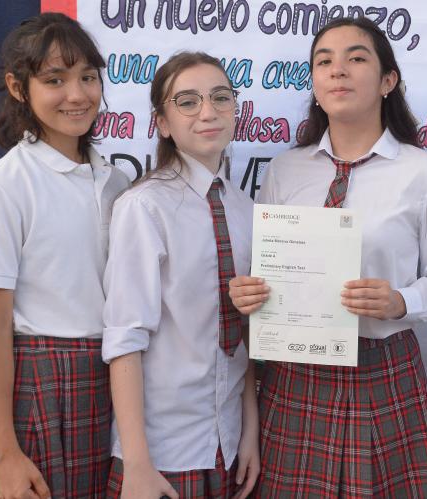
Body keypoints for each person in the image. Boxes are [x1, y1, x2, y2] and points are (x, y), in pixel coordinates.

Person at [228, 16, 427, 498]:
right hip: (294, 375)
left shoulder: (425, 174)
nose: (338, 71)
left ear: (387, 81)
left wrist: (400, 301)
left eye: (356, 58)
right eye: (324, 61)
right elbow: (268, 269)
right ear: (314, 85)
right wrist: (249, 290)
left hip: (384, 372)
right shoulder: (285, 170)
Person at [0, 12, 128, 498]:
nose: (77, 94)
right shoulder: (2, 188)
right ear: (18, 87)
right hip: (37, 390)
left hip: (113, 383)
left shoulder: (118, 183)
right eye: (55, 80)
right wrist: (5, 451)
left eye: (88, 77)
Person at [100, 52, 259, 499]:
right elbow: (125, 338)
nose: (208, 112)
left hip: (226, 444)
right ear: (163, 123)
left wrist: (249, 431)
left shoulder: (244, 208)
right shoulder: (144, 207)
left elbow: (242, 329)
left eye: (220, 97)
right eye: (187, 101)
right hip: (162, 453)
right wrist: (137, 464)